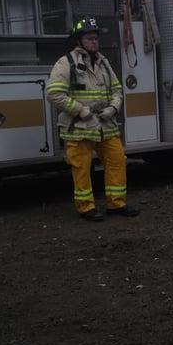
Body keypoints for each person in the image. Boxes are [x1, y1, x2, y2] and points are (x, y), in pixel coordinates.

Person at [46, 17, 140, 221]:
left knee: (117, 161)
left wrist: (113, 108)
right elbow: (54, 94)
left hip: (105, 125)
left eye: (96, 38)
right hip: (79, 126)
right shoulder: (66, 63)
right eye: (89, 38)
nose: (94, 42)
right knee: (81, 168)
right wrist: (79, 110)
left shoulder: (103, 62)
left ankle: (116, 204)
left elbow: (117, 90)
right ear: (79, 40)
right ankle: (86, 207)